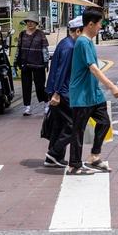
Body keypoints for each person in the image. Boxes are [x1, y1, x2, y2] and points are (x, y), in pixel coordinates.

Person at [67, 7, 118, 175]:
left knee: (104, 122)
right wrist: (111, 86)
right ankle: (74, 165)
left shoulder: (89, 41)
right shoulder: (83, 42)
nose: (101, 27)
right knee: (78, 130)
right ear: (90, 24)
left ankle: (94, 156)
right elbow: (93, 68)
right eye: (99, 24)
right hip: (82, 95)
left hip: (93, 93)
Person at [43, 16, 83, 168]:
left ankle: (53, 158)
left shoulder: (65, 43)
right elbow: (62, 71)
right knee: (74, 123)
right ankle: (54, 153)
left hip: (57, 89)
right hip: (62, 91)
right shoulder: (70, 47)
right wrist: (57, 93)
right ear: (77, 31)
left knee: (59, 124)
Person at [15, 16, 49, 116]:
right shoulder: (22, 34)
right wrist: (16, 60)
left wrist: (46, 62)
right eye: (28, 22)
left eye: (32, 22)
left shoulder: (40, 34)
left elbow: (44, 49)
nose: (30, 24)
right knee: (26, 86)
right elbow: (19, 48)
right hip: (25, 63)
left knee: (40, 86)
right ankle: (27, 107)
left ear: (36, 24)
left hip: (38, 64)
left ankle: (46, 104)